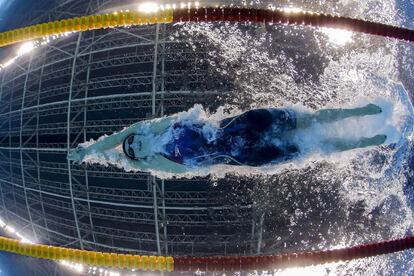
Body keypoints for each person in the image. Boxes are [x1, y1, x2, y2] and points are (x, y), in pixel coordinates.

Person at [67, 104, 386, 174]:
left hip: (247, 124)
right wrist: (97, 157)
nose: (134, 144)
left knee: (310, 120)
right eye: (133, 151)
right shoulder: (163, 164)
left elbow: (120, 136)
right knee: (315, 146)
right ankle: (369, 140)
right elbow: (118, 155)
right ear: (138, 158)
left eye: (134, 140)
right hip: (250, 156)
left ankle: (362, 109)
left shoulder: (163, 127)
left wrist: (89, 148)